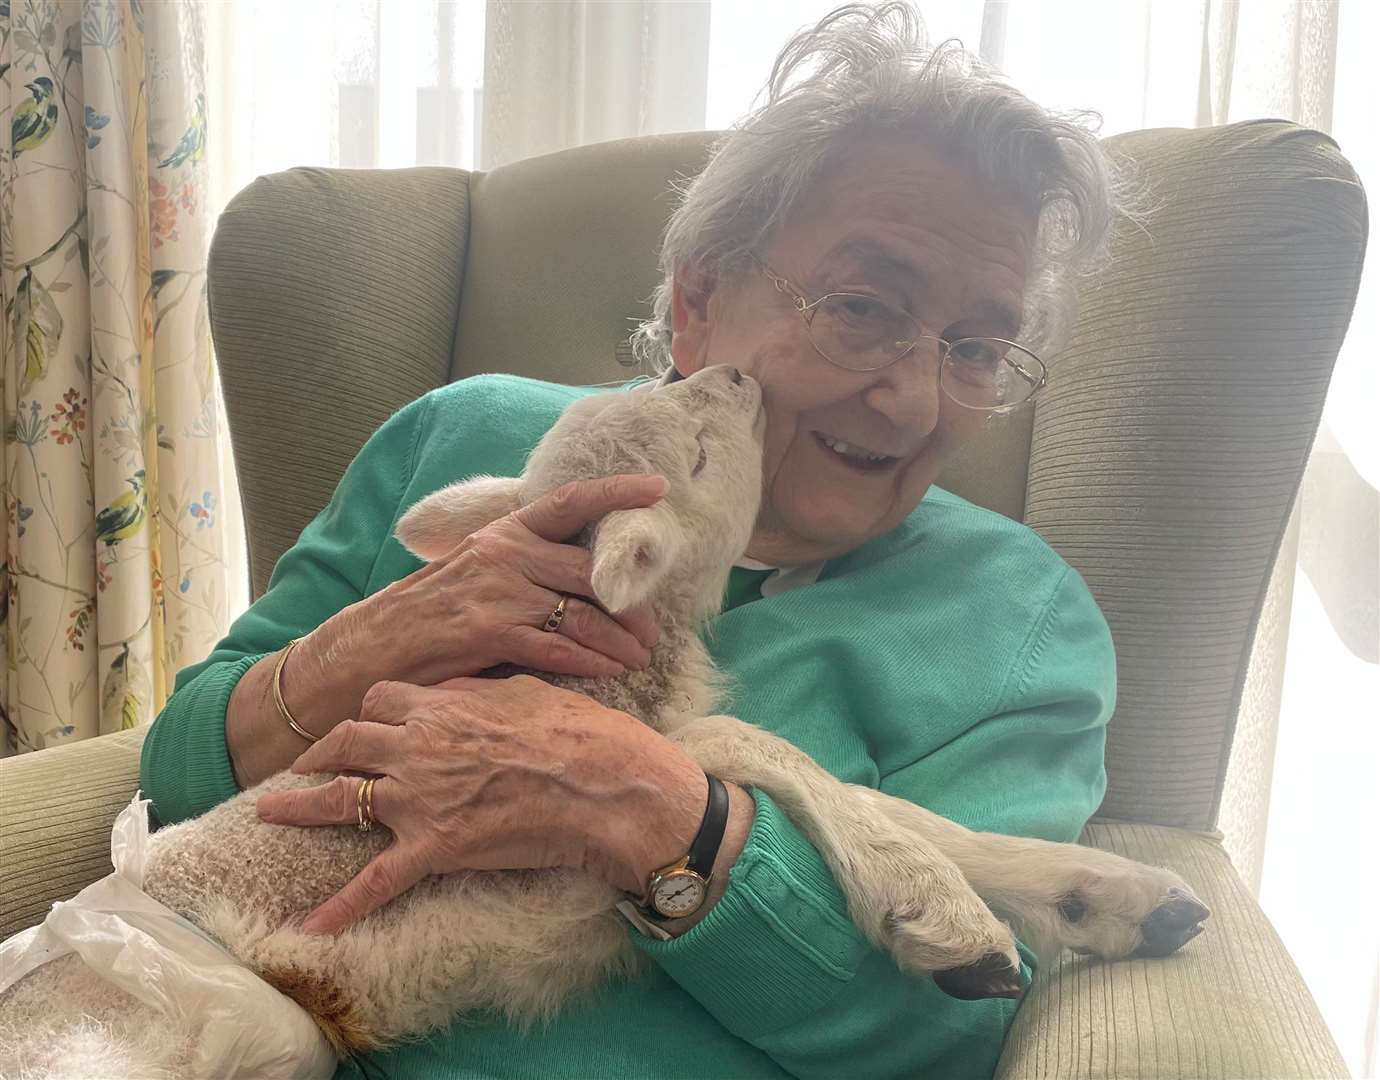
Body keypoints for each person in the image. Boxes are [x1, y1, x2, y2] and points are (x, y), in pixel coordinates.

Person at [140, 4, 1122, 1077]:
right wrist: (366, 646)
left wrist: (663, 821)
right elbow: (177, 774)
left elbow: (955, 1028)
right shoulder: (463, 439)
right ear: (698, 300)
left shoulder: (1015, 619)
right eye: (861, 305)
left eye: (976, 348)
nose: (910, 396)